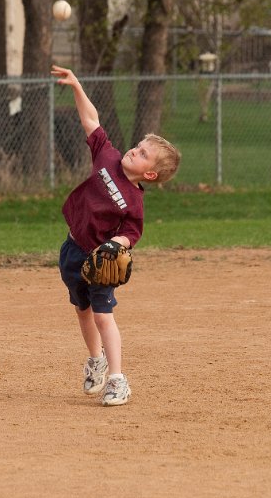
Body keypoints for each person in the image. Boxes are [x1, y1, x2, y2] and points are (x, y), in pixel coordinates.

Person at [50, 65, 181, 406]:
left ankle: (117, 379)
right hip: (73, 250)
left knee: (102, 315)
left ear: (149, 173)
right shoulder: (106, 156)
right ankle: (96, 360)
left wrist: (114, 246)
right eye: (137, 146)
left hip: (101, 260)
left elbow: (132, 233)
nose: (134, 151)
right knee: (81, 310)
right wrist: (78, 85)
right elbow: (91, 121)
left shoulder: (135, 201)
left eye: (142, 154)